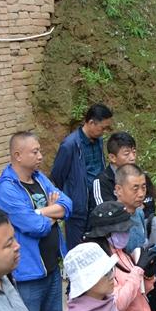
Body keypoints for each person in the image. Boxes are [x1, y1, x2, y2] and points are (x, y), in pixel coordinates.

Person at [0, 131, 72, 311]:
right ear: (18, 155)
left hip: (51, 266)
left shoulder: (39, 178)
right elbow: (34, 226)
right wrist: (50, 212)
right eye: (34, 151)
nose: (40, 156)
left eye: (39, 150)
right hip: (28, 272)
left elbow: (68, 205)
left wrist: (40, 211)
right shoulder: (7, 189)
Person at [51, 103, 113, 249]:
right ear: (91, 123)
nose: (104, 132)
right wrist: (73, 194)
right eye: (102, 128)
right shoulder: (69, 145)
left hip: (96, 204)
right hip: (78, 209)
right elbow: (57, 175)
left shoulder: (98, 141)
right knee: (77, 249)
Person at [88, 130, 156, 220]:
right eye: (126, 154)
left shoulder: (140, 176)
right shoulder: (101, 182)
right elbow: (104, 213)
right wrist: (132, 207)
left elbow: (150, 207)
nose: (132, 157)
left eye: (134, 152)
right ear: (112, 157)